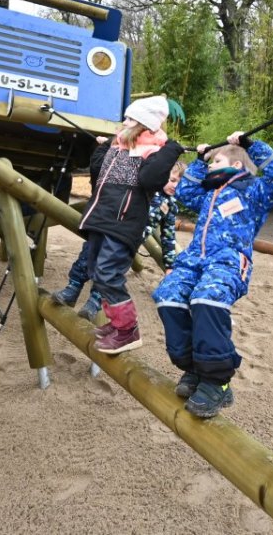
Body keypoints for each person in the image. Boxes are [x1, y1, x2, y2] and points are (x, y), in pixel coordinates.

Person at [151, 134, 273, 417]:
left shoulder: (253, 190)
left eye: (216, 160)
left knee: (207, 299)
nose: (212, 165)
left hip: (226, 262)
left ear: (236, 163)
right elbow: (185, 193)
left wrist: (250, 144)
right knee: (168, 296)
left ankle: (217, 381)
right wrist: (201, 162)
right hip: (193, 260)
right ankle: (194, 368)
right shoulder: (208, 193)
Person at [78, 95, 183, 354]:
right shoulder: (120, 146)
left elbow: (151, 180)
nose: (123, 122)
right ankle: (116, 324)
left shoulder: (153, 151)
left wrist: (170, 150)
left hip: (123, 223)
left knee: (108, 273)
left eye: (129, 119)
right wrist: (104, 147)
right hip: (102, 217)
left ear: (144, 124)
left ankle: (127, 330)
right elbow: (96, 172)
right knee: (95, 271)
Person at [52, 158, 185, 321]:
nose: (175, 185)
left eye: (180, 183)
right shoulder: (144, 189)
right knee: (87, 256)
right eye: (172, 180)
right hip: (110, 230)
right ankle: (72, 288)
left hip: (128, 243)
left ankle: (94, 302)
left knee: (109, 271)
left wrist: (170, 265)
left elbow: (168, 237)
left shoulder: (170, 206)